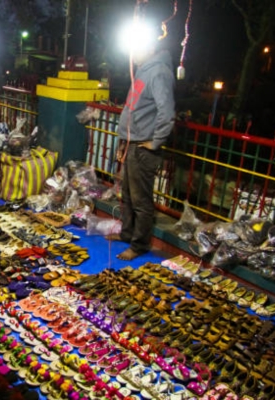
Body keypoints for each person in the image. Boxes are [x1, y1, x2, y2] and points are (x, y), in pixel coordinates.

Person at [107, 31, 176, 261]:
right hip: (132, 143)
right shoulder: (144, 72)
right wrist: (122, 142)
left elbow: (166, 113)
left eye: (137, 49)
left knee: (141, 200)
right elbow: (133, 109)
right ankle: (127, 234)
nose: (132, 54)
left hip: (143, 148)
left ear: (149, 49)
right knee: (127, 194)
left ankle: (139, 244)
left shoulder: (158, 72)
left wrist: (154, 142)